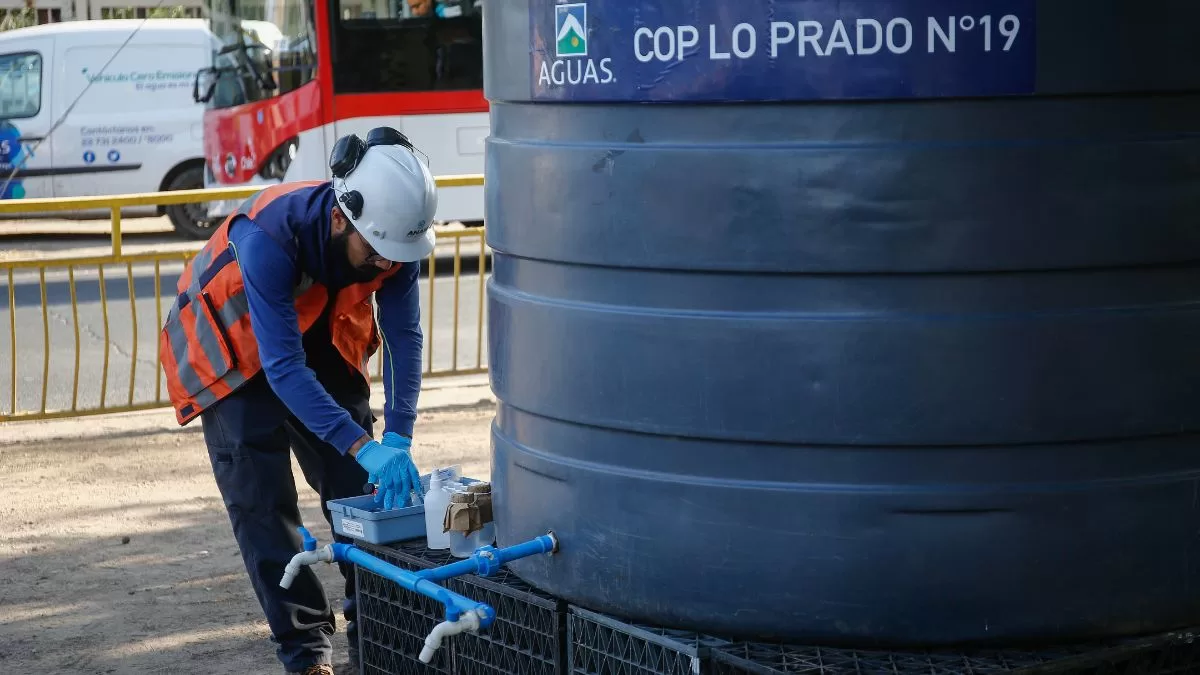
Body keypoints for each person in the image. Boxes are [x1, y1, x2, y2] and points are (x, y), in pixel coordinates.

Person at [157, 127, 436, 675]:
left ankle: (380, 633)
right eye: (376, 255)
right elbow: (282, 368)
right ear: (340, 219)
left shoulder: (394, 236)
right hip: (235, 353)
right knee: (264, 507)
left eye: (395, 258)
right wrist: (361, 443)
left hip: (317, 334)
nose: (386, 267)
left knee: (362, 491)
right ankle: (307, 654)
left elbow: (406, 337)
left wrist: (397, 434)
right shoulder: (270, 237)